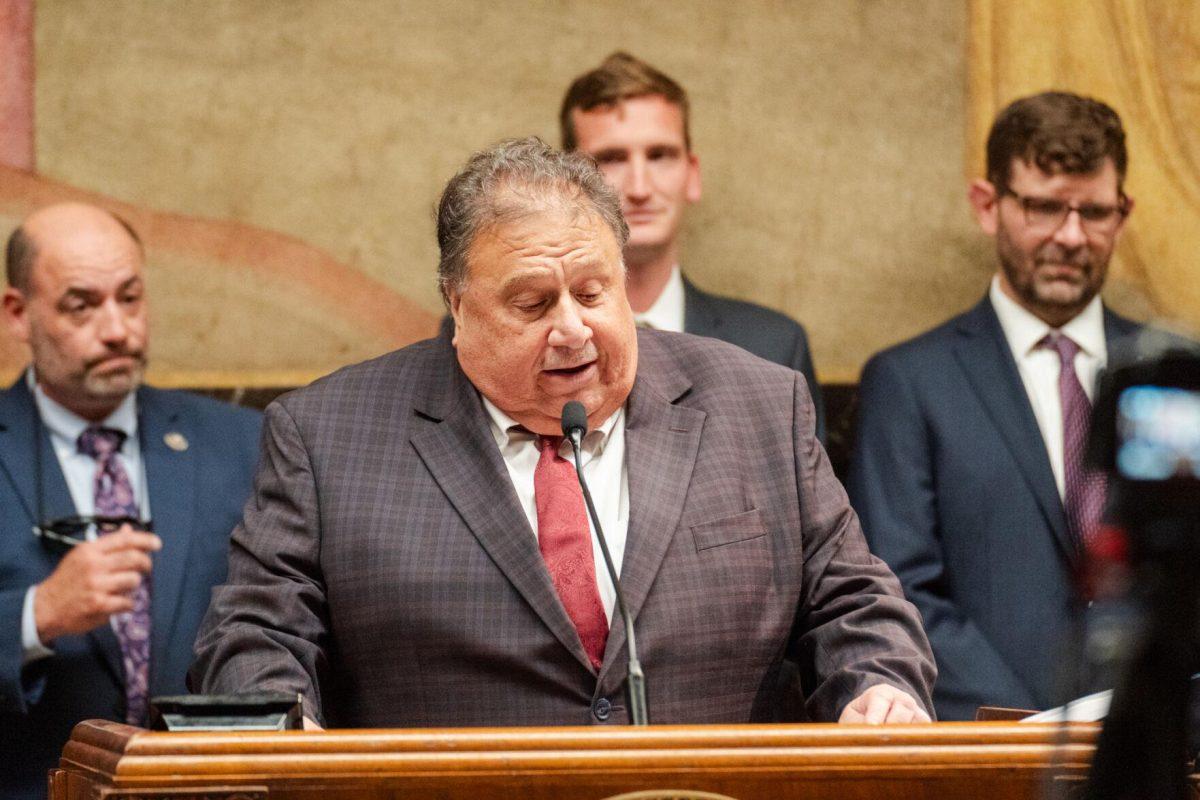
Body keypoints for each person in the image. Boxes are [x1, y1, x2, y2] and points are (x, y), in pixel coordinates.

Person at [191, 137, 934, 728]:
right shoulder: (329, 435)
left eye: (591, 291)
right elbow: (258, 630)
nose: (573, 329)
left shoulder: (760, 407)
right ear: (459, 306)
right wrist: (277, 727)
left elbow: (853, 602)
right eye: (532, 303)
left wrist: (879, 685)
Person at [848, 92, 1141, 720]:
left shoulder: (1164, 376)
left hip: (1157, 751)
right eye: (1043, 207)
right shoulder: (909, 382)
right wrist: (1034, 733)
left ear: (1122, 213)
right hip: (988, 746)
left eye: (1093, 212)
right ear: (988, 205)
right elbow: (897, 590)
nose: (1070, 236)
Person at [0, 203, 261, 798]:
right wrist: (35, 615)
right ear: (18, 313)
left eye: (131, 297)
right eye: (82, 305)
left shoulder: (242, 442)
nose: (117, 329)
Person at [560, 52, 826, 442]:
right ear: (568, 183)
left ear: (692, 174)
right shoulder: (522, 337)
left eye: (660, 155)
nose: (639, 188)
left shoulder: (772, 346)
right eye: (612, 158)